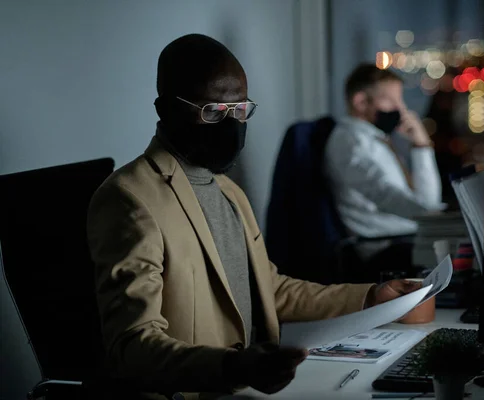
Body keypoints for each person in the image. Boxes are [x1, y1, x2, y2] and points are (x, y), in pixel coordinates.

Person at [87, 34, 422, 399]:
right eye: (213, 111)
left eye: (240, 110)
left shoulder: (229, 192)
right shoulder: (130, 199)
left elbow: (270, 289)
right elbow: (132, 346)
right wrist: (231, 368)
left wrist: (372, 296)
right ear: (166, 108)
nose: (231, 125)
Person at [324, 64, 445, 275]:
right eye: (391, 100)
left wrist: (421, 145)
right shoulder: (350, 143)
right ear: (361, 102)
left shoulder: (378, 140)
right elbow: (383, 193)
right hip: (379, 249)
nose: (401, 110)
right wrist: (435, 215)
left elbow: (427, 199)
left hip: (407, 237)